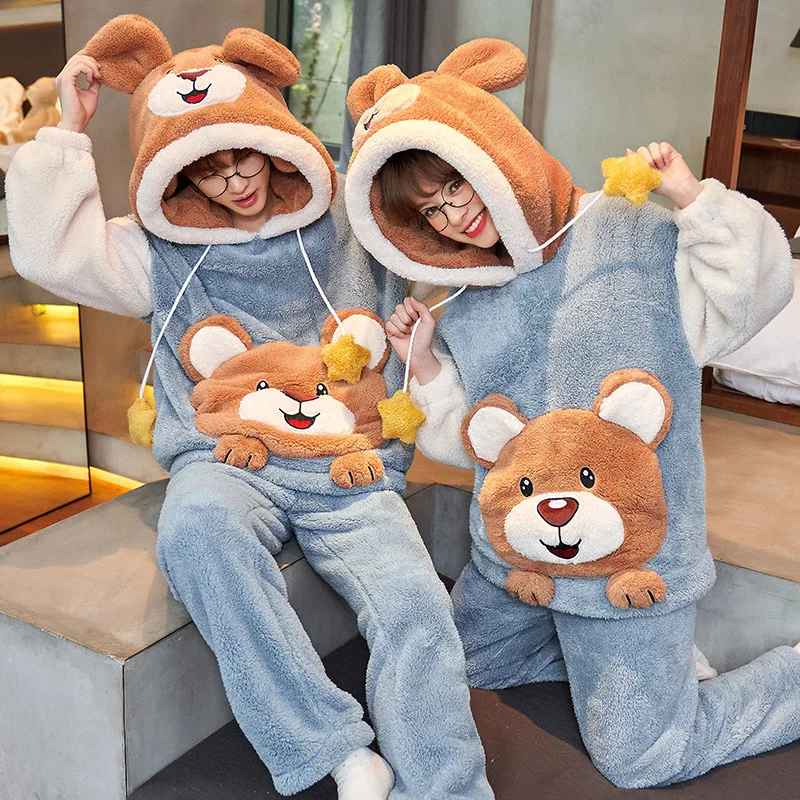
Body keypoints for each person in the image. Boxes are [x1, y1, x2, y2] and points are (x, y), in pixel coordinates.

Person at [6, 16, 493, 800]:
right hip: (229, 458)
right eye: (209, 173)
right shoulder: (157, 249)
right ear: (177, 175)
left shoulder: (344, 218)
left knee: (413, 605)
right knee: (196, 532)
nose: (236, 182)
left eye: (245, 158)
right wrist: (67, 129)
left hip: (347, 460)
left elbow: (439, 221)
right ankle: (334, 749)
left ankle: (447, 786)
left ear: (272, 138)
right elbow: (52, 254)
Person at [344, 37, 799, 788]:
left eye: (455, 185)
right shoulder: (463, 301)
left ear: (495, 152)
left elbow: (752, 297)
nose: (454, 215)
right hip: (514, 565)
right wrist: (422, 362)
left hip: (628, 568)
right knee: (458, 666)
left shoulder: (629, 232)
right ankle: (605, 657)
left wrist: (693, 199)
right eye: (430, 210)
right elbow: (477, 445)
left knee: (642, 757)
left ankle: (772, 680)